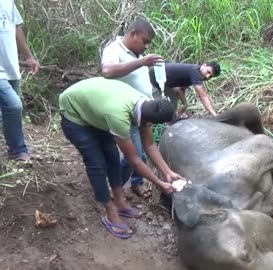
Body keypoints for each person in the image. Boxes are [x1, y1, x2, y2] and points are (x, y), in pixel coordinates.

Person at [59, 76, 182, 239]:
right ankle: (110, 213)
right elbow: (134, 160)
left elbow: (150, 146)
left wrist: (168, 172)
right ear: (147, 120)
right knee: (97, 163)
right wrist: (159, 184)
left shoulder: (148, 106)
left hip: (97, 107)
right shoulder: (119, 116)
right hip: (74, 111)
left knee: (112, 155)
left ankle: (119, 201)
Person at [101, 17, 164, 199]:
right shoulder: (114, 49)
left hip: (144, 111)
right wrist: (141, 62)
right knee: (133, 155)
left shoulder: (137, 55)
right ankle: (115, 188)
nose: (146, 46)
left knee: (144, 150)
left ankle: (136, 182)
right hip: (125, 112)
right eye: (145, 41)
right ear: (133, 34)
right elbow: (107, 71)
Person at [0, 0, 41, 161]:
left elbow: (16, 27)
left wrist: (29, 56)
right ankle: (19, 150)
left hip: (10, 66)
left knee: (8, 112)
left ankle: (12, 149)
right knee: (14, 105)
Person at [149, 62, 221, 118]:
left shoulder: (193, 72)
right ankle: (162, 121)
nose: (207, 76)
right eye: (208, 72)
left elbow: (180, 90)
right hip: (154, 78)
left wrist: (185, 104)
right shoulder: (195, 72)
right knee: (157, 106)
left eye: (210, 76)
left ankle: (172, 117)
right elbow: (203, 96)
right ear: (204, 65)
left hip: (163, 82)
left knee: (174, 96)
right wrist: (215, 115)